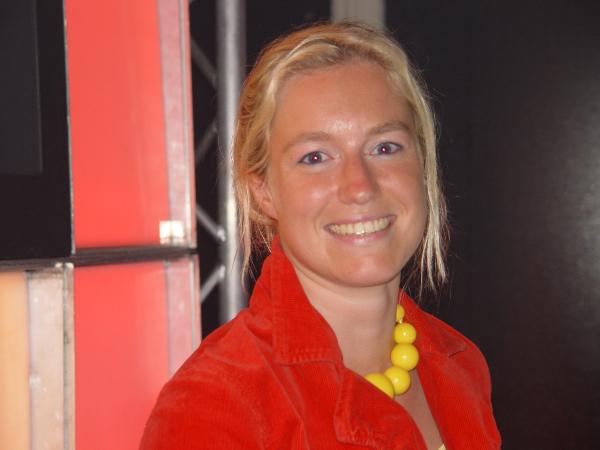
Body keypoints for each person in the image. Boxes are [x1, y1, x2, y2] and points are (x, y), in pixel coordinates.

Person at [140, 22, 501, 449]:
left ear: (422, 165)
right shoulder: (214, 407)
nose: (360, 186)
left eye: (385, 147)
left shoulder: (461, 363)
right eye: (315, 157)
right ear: (264, 191)